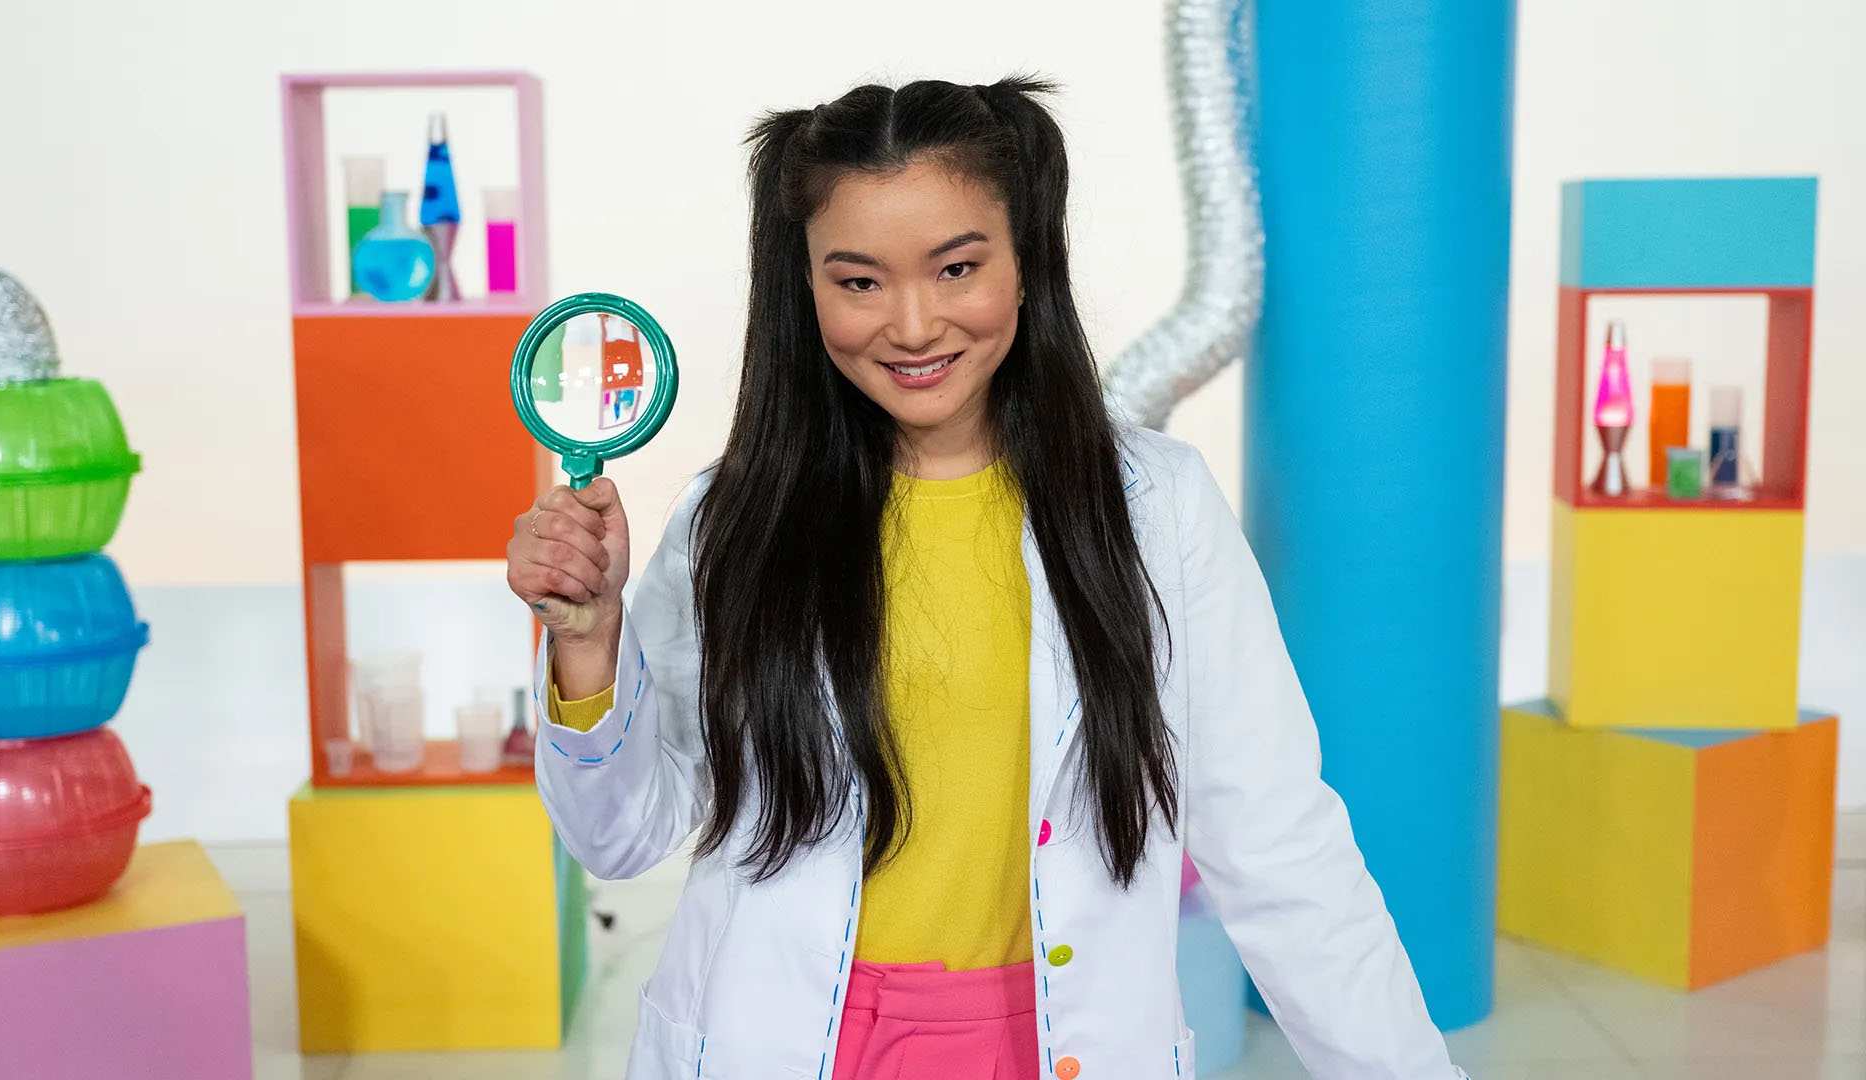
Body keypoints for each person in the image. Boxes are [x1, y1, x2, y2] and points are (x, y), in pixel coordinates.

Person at [506, 75, 1464, 1080]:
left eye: (957, 267)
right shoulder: (737, 517)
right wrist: (587, 638)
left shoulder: (1158, 507)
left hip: (1060, 1042)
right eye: (859, 281)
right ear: (805, 288)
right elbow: (619, 839)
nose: (913, 326)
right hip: (791, 1044)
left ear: (1026, 263)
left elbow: (1280, 848)